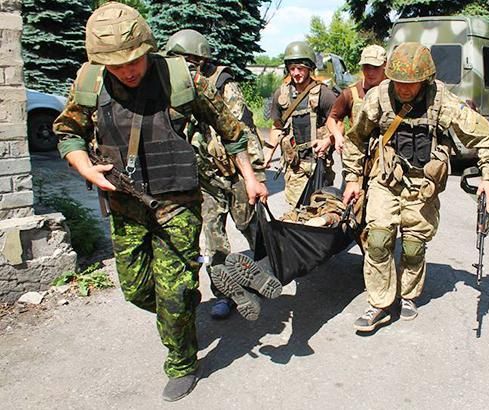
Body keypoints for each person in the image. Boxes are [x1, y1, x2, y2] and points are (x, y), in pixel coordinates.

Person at [53, 3, 266, 401]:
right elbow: (68, 132)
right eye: (116, 65)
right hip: (124, 206)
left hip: (178, 203)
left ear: (146, 48)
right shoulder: (90, 82)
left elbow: (232, 130)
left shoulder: (181, 79)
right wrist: (84, 167)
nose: (128, 71)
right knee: (136, 290)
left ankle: (183, 361)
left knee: (173, 290)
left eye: (133, 60)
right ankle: (183, 310)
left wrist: (251, 178)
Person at [342, 42, 489, 333]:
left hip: (423, 184)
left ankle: (408, 295)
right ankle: (379, 303)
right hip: (385, 179)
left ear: (425, 80)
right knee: (378, 240)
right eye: (399, 83)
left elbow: (483, 137)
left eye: (411, 84)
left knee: (414, 246)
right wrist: (353, 178)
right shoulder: (378, 97)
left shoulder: (441, 100)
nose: (404, 89)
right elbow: (355, 138)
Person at [163, 29, 278, 321]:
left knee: (250, 227)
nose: (182, 67)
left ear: (201, 60)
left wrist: (256, 176)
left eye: (187, 60)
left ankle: (264, 274)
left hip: (237, 173)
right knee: (213, 239)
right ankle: (226, 294)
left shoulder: (224, 85)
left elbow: (242, 132)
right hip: (206, 177)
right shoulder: (174, 88)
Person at [266, 41, 338, 207]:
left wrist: (327, 141)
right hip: (295, 167)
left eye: (300, 68)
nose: (296, 73)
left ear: (309, 68)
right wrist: (268, 154)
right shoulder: (281, 94)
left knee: (320, 213)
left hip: (319, 165)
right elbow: (277, 126)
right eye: (292, 68)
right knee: (295, 215)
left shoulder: (324, 94)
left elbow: (338, 123)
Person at [326, 45, 387, 152]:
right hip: (357, 154)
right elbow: (332, 119)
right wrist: (337, 136)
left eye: (375, 67)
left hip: (385, 152)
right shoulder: (350, 93)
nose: (370, 72)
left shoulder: (394, 90)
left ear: (384, 65)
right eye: (366, 67)